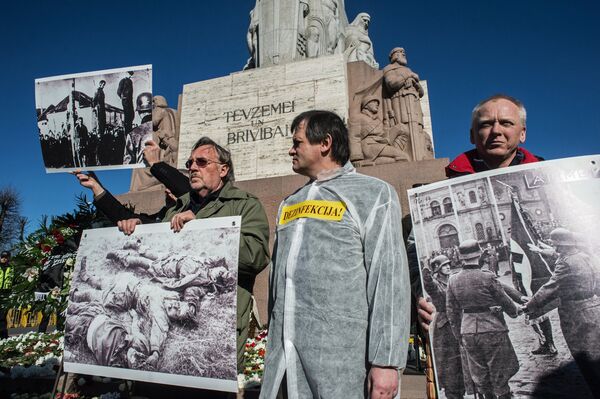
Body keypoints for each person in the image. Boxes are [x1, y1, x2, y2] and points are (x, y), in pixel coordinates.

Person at [260, 110, 410, 399]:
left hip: (342, 363)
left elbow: (389, 279)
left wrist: (387, 362)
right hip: (284, 361)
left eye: (297, 142)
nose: (291, 150)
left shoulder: (374, 194)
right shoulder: (288, 204)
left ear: (325, 143)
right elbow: (276, 282)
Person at [117, 137, 270, 372]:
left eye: (201, 162)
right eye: (189, 163)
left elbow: (256, 257)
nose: (192, 168)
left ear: (223, 169)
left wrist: (205, 229)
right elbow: (162, 247)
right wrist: (140, 228)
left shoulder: (245, 205)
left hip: (218, 338)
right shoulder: (177, 207)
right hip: (168, 302)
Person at [524, 228, 600, 395]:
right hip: (594, 308)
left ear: (563, 245)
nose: (556, 249)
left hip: (575, 314)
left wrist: (529, 305)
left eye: (557, 246)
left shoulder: (565, 262)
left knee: (583, 355)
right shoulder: (584, 256)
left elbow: (551, 287)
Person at [446, 239, 520, 399]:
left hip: (468, 331)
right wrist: (514, 312)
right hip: (492, 329)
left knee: (480, 374)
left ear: (460, 257)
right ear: (479, 254)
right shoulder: (487, 277)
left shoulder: (453, 280)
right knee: (499, 372)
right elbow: (504, 300)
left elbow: (451, 312)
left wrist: (459, 335)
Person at [421, 255, 464, 399]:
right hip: (445, 326)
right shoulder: (436, 283)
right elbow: (430, 287)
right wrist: (427, 276)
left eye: (448, 264)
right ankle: (452, 391)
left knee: (461, 359)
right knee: (449, 361)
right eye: (444, 265)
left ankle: (461, 388)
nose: (448, 266)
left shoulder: (452, 279)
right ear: (438, 269)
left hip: (458, 320)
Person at [0, 251, 13, 339]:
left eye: (6, 257)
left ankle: (4, 335)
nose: (4, 258)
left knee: (3, 315)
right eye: (2, 257)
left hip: (6, 294)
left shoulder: (12, 268)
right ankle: (3, 335)